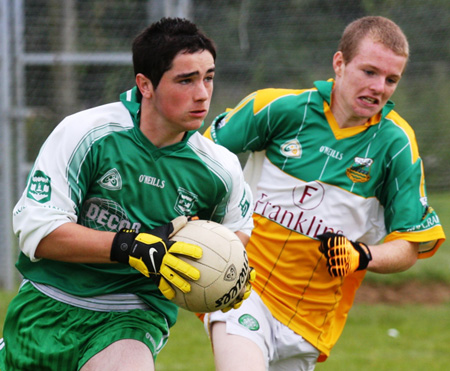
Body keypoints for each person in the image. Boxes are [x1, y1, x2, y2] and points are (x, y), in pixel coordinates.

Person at [0, 17, 254, 371]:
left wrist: (227, 272)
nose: (202, 94)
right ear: (145, 85)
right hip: (47, 304)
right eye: (186, 80)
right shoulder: (87, 134)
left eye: (208, 77)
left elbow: (236, 232)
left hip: (133, 315)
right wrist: (131, 247)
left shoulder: (219, 169)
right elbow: (38, 233)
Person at [203, 15, 446, 371]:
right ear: (339, 63)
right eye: (369, 72)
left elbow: (410, 246)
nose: (379, 87)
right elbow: (197, 158)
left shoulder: (396, 145)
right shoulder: (277, 109)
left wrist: (361, 255)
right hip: (241, 292)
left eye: (391, 79)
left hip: (309, 324)